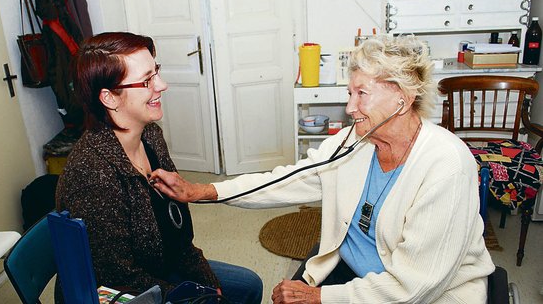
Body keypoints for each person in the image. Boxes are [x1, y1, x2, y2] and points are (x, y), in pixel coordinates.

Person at [149, 35, 496, 303]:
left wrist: (319, 297)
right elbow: (286, 181)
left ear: (401, 98)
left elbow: (413, 286)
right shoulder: (354, 142)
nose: (349, 107)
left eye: (361, 94)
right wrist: (203, 191)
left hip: (423, 294)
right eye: (350, 93)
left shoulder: (446, 165)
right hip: (353, 272)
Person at [55, 32, 262, 303]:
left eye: (157, 72)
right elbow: (118, 279)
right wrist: (200, 297)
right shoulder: (93, 174)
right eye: (146, 80)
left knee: (249, 286)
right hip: (124, 290)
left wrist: (208, 283)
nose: (162, 85)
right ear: (109, 98)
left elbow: (178, 235)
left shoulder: (150, 135)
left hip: (162, 263)